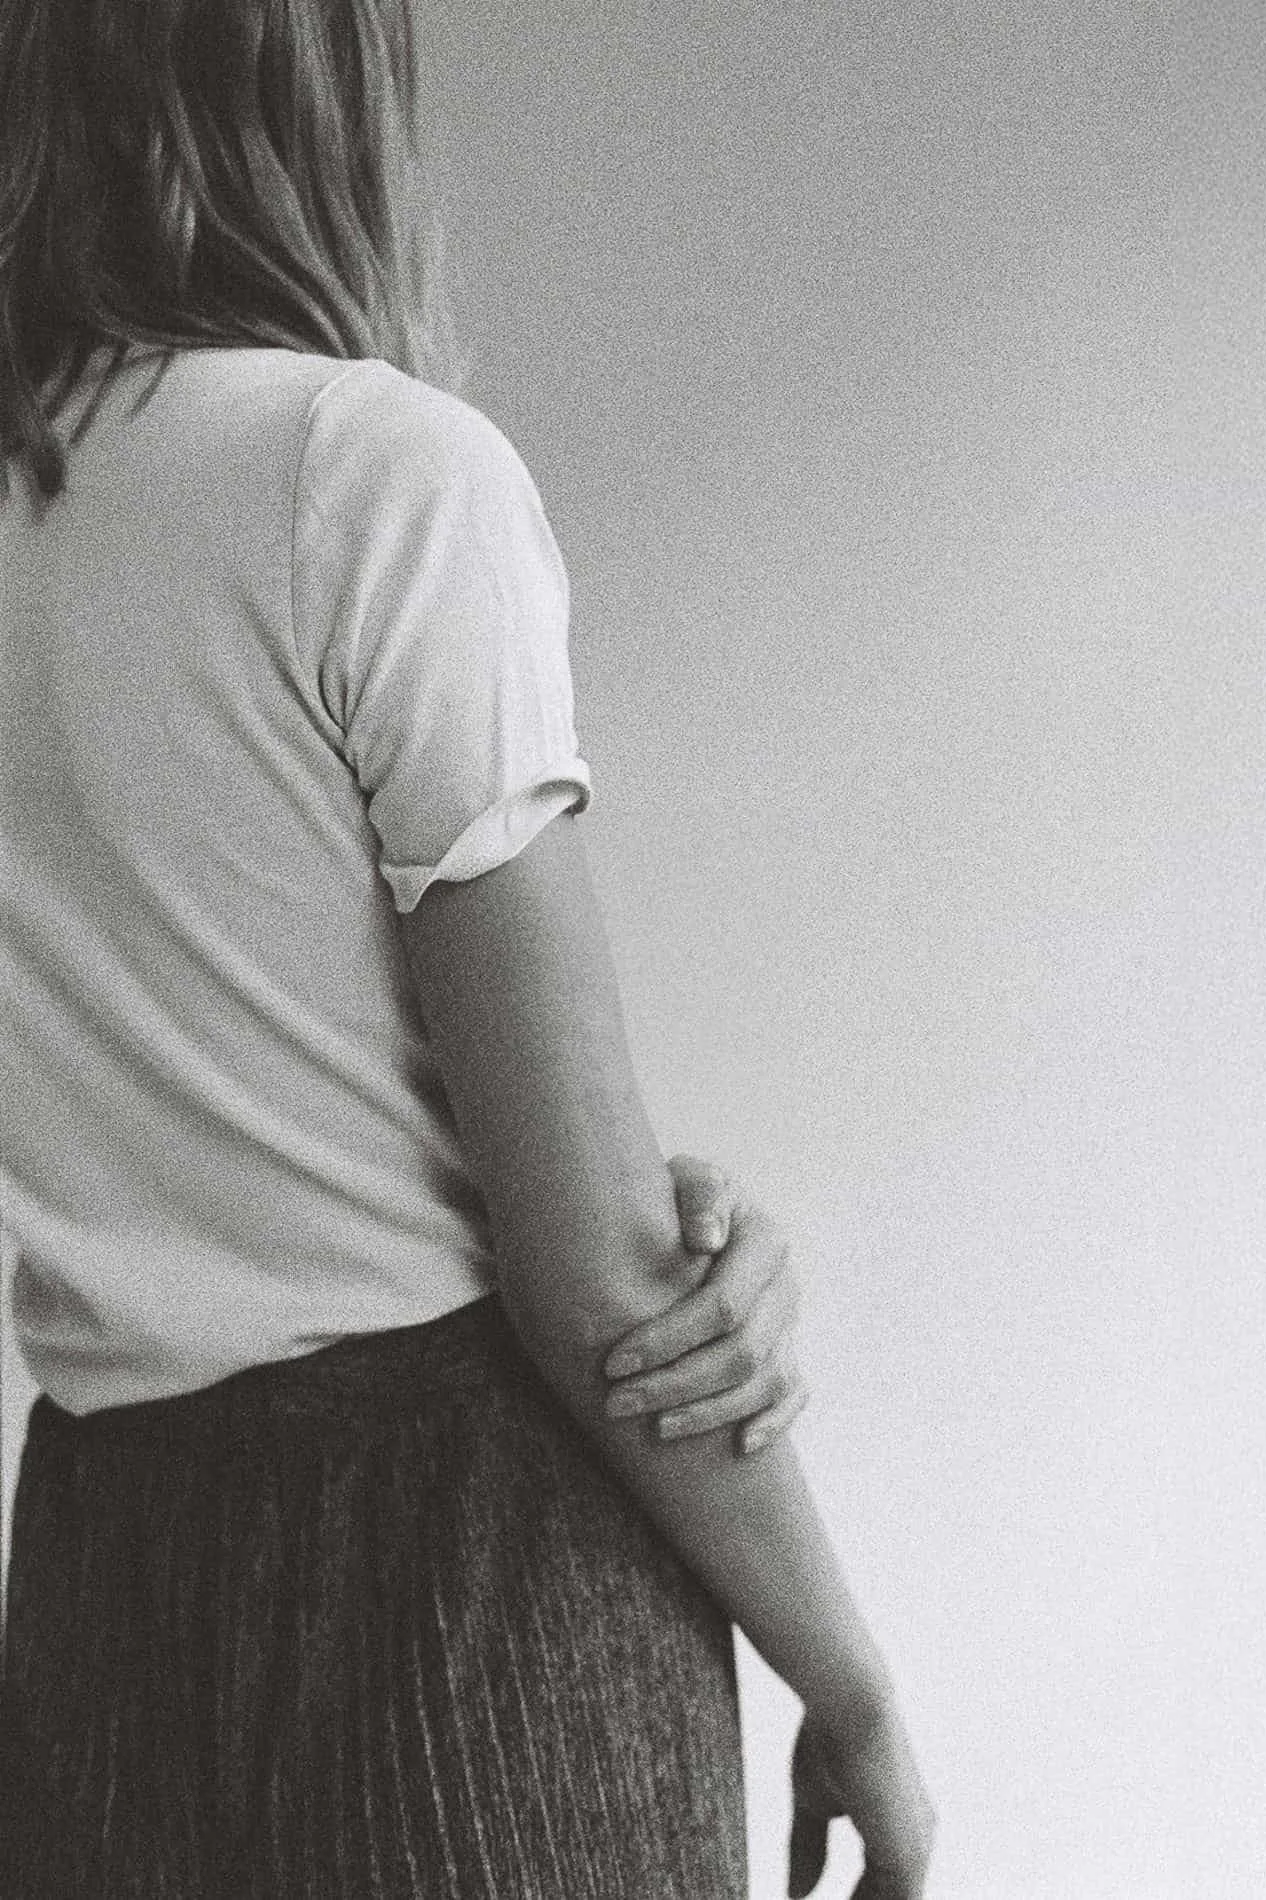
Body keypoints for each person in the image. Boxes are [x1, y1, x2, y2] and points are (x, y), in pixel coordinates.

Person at [0, 0, 935, 1895]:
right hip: (467, 1556)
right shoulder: (370, 472)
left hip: (103, 1579)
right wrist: (850, 1688)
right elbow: (593, 1278)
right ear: (323, 85)